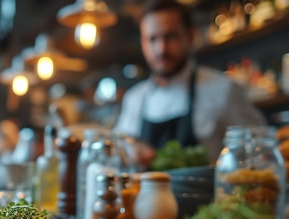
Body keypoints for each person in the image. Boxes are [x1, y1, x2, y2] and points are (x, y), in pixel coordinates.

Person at [113, 0, 266, 165]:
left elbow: (261, 151)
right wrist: (130, 149)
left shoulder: (223, 90)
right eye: (152, 39)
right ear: (143, 43)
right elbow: (116, 149)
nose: (161, 49)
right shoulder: (135, 99)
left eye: (170, 37)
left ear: (190, 36)